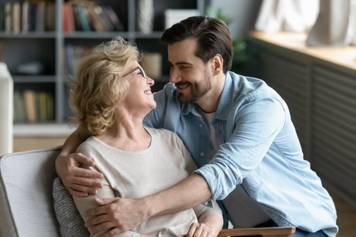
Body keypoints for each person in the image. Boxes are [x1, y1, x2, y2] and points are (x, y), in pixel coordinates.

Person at [56, 16, 338, 237]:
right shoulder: (172, 99)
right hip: (238, 229)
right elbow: (106, 114)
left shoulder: (260, 105)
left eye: (184, 66)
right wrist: (64, 158)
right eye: (171, 65)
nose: (173, 77)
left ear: (215, 64)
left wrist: (139, 210)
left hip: (298, 224)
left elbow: (221, 173)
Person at [60, 38, 223, 237]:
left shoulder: (171, 141)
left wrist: (209, 225)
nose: (151, 81)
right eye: (140, 73)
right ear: (112, 85)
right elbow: (109, 233)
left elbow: (207, 207)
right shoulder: (90, 156)